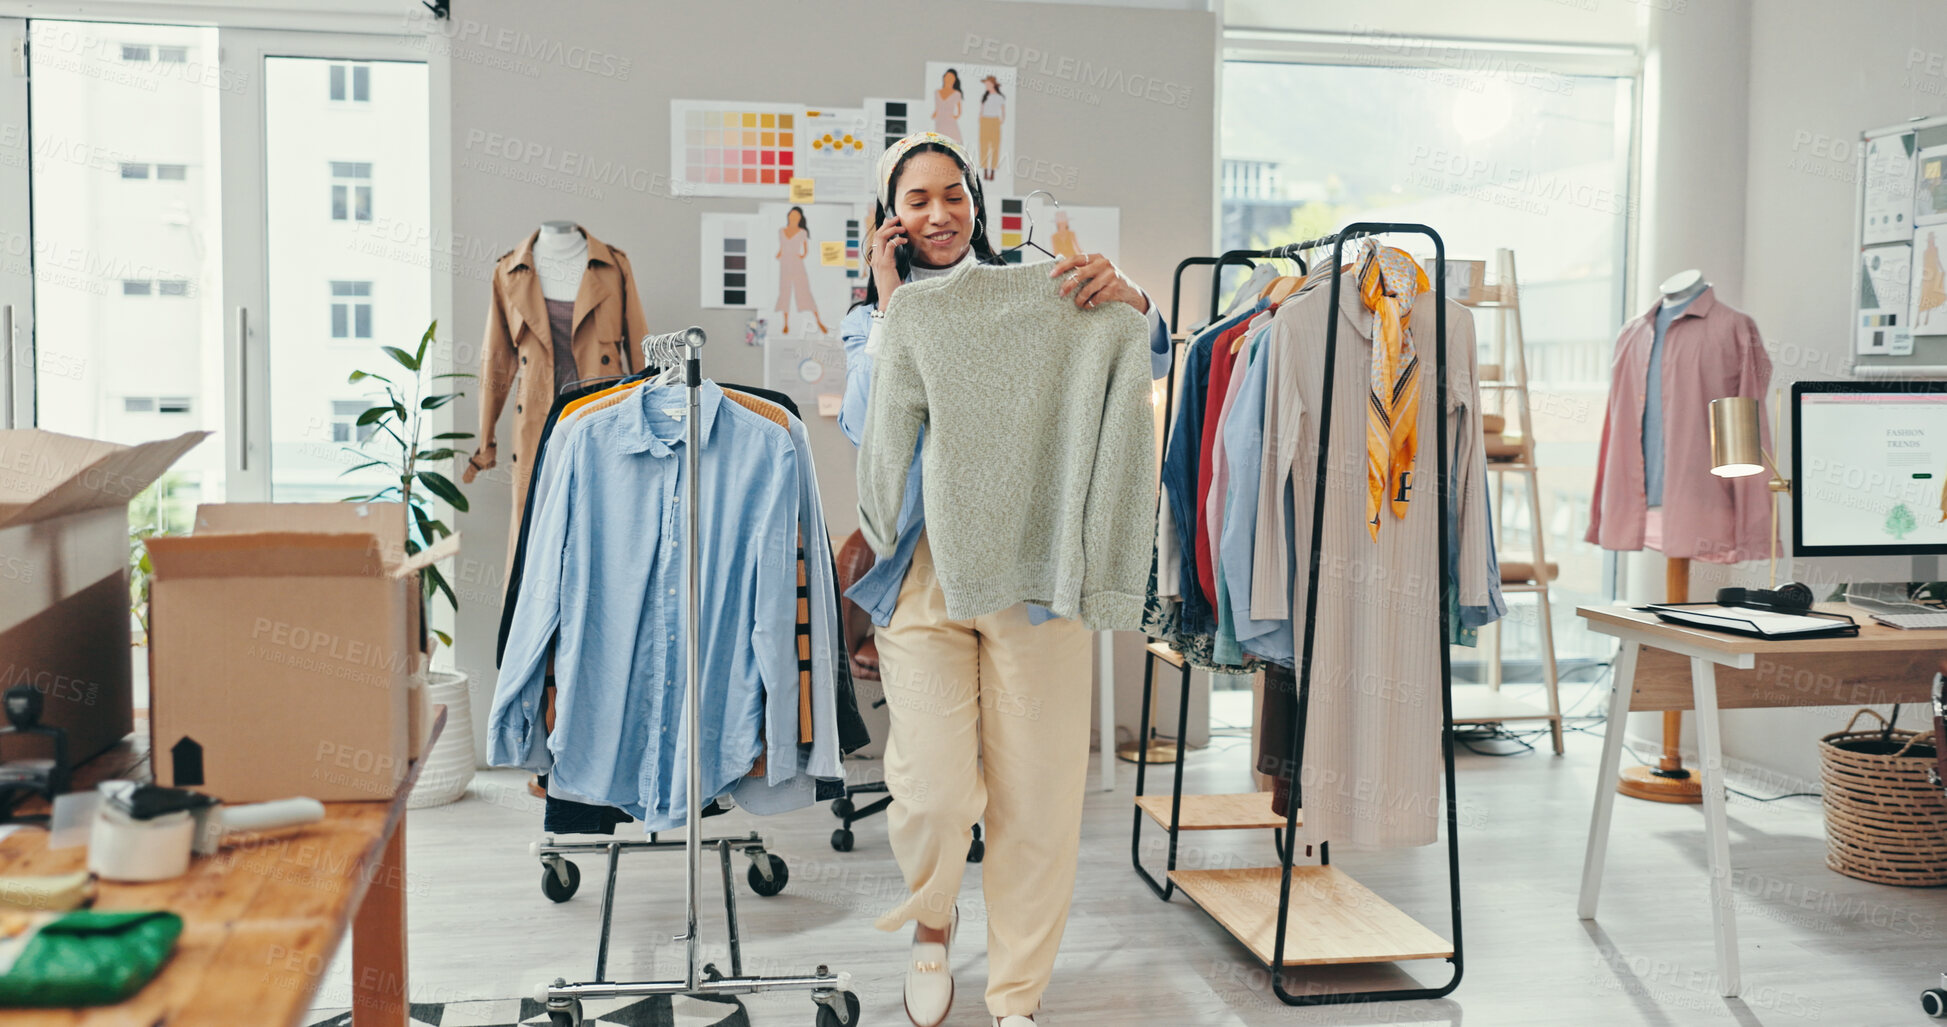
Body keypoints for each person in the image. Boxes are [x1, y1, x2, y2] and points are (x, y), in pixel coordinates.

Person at [838, 131, 1172, 1027]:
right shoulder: (879, 314)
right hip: (924, 576)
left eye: (955, 195)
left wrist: (1135, 300)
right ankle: (933, 923)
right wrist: (889, 306)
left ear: (977, 205)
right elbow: (869, 433)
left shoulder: (1050, 288)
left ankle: (1016, 996)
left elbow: (1142, 354)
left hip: (1037, 572)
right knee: (932, 791)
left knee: (1038, 796)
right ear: (889, 216)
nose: (939, 214)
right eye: (916, 200)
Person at [775, 205, 827, 335]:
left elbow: (805, 250)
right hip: (785, 264)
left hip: (797, 264)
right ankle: (785, 323)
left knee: (804, 290)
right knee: (784, 292)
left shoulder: (802, 232)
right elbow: (782, 247)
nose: (793, 218)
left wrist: (801, 256)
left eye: (796, 216)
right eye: (791, 215)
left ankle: (818, 320)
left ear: (800, 218)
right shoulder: (781, 231)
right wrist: (779, 254)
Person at [977, 74, 1005, 180]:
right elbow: (982, 109)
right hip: (985, 121)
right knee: (984, 146)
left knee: (995, 147)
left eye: (988, 84)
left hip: (994, 121)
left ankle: (992, 171)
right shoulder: (985, 97)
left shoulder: (999, 97)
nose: (986, 86)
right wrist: (980, 118)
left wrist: (1002, 119)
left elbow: (1003, 110)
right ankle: (985, 170)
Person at [931, 69, 963, 143]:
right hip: (939, 121)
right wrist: (934, 115)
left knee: (953, 141)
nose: (948, 79)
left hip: (949, 121)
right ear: (944, 78)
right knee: (940, 141)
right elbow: (937, 107)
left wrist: (954, 117)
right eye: (947, 77)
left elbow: (959, 111)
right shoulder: (937, 92)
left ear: (954, 80)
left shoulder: (957, 94)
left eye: (951, 78)